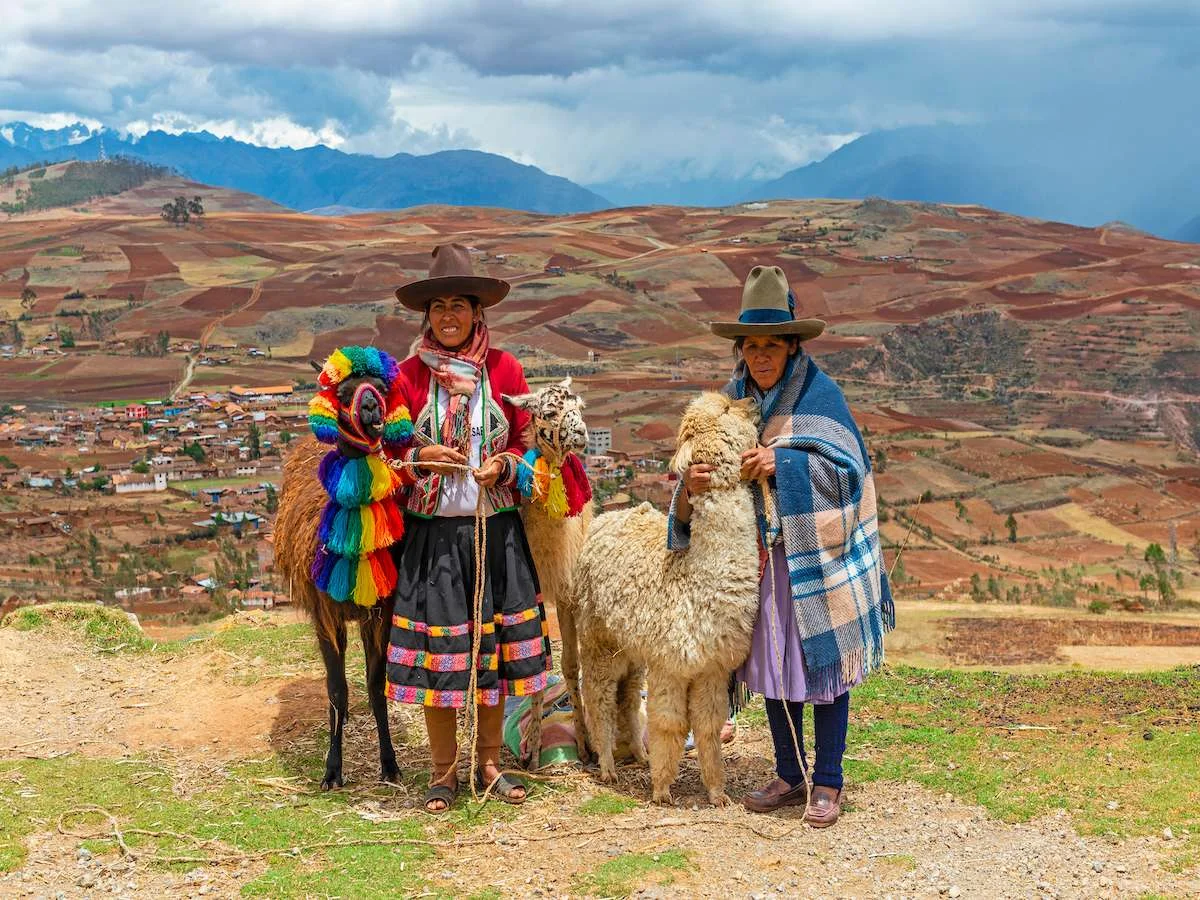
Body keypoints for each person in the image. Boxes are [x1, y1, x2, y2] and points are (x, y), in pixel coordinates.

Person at [669, 265, 893, 827]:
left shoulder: (820, 396)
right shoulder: (731, 402)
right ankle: (791, 773)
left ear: (793, 347)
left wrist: (784, 462)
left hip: (815, 560)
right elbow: (700, 463)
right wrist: (690, 485)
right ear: (740, 350)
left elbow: (850, 472)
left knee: (822, 666)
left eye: (772, 345)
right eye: (752, 346)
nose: (761, 356)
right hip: (758, 561)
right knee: (772, 663)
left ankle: (829, 781)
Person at [386, 243, 551, 813]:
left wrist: (503, 465)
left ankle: (488, 764)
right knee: (442, 657)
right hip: (434, 539)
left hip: (495, 530)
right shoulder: (407, 377)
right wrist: (420, 458)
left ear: (478, 313)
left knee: (492, 656)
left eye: (459, 305)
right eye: (438, 307)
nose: (448, 316)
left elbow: (530, 449)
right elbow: (388, 459)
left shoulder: (504, 370)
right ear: (425, 316)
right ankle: (442, 771)